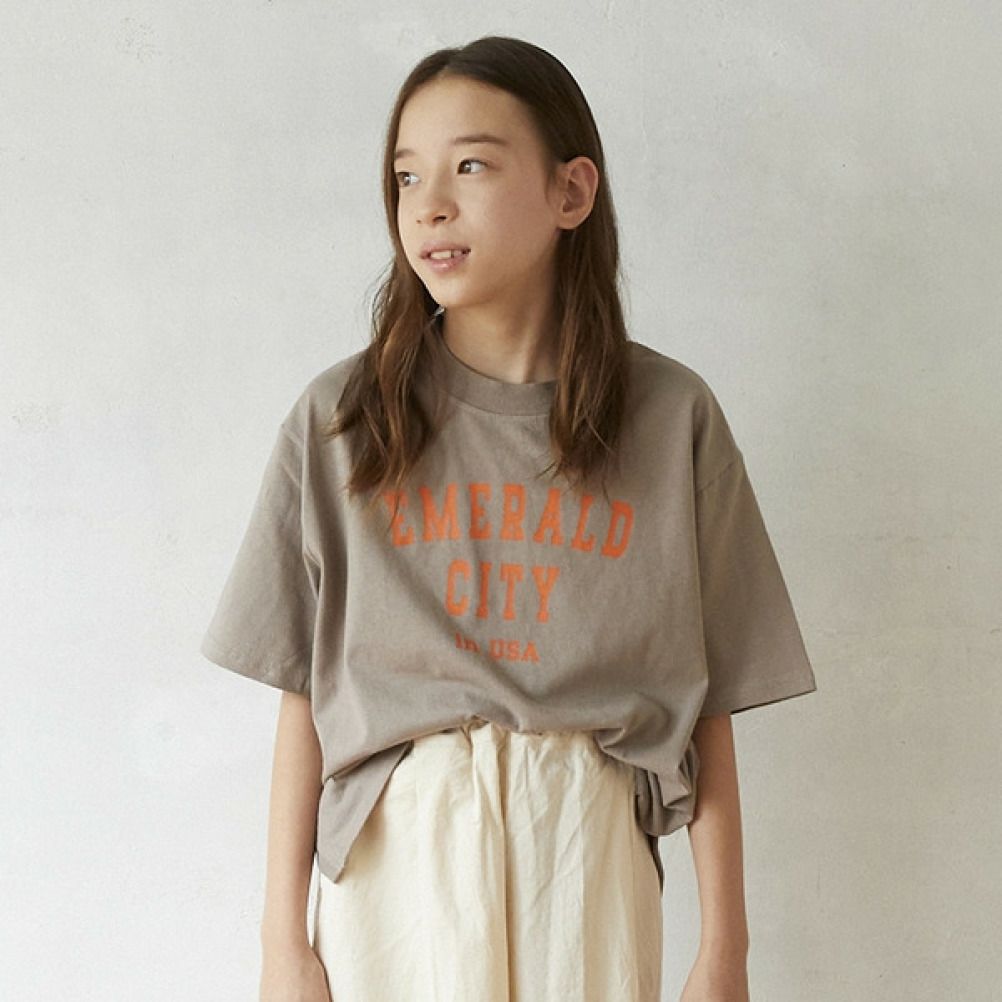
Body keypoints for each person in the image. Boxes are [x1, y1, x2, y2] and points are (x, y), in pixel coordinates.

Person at [200, 34, 818, 1002]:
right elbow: (304, 697)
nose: (429, 205)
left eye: (472, 166)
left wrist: (724, 952)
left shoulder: (670, 420)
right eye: (407, 177)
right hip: (397, 858)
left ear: (571, 192)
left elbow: (707, 701)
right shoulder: (343, 422)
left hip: (588, 851)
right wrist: (285, 946)